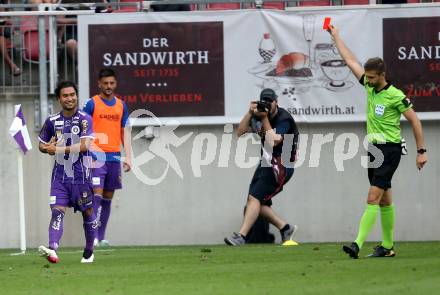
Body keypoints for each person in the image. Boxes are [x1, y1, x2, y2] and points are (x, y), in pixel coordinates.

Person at [327, 25, 427, 258]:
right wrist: (336, 37)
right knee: (384, 199)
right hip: (374, 150)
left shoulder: (396, 96)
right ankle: (388, 247)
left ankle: (357, 244)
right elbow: (350, 60)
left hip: (390, 150)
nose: (368, 81)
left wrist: (421, 151)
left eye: (372, 77)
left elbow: (415, 122)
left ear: (382, 75)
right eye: (367, 77)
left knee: (372, 196)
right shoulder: (370, 88)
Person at [224, 88, 299, 246]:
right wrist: (249, 113)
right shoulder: (258, 114)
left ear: (276, 102)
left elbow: (273, 141)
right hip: (267, 163)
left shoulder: (283, 118)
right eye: (264, 101)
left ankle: (241, 236)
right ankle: (285, 228)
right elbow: (241, 131)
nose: (267, 105)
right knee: (257, 202)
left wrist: (264, 118)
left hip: (281, 165)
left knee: (254, 199)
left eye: (270, 101)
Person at [38, 81, 97, 264]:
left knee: (88, 213)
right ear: (59, 99)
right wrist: (47, 147)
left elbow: (85, 145)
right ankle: (53, 248)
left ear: (76, 96)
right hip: (60, 178)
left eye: (72, 94)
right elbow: (42, 144)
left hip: (82, 177)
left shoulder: (85, 118)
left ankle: (89, 250)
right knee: (57, 212)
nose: (70, 98)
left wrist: (58, 150)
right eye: (65, 95)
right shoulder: (52, 121)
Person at [83, 68, 131, 247]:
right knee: (96, 195)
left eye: (112, 83)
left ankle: (101, 237)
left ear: (115, 84)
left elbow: (124, 131)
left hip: (114, 158)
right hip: (95, 156)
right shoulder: (91, 103)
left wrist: (128, 156)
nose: (109, 86)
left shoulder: (122, 105)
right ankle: (92, 236)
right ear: (99, 84)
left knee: (108, 197)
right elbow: (82, 127)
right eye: (105, 83)